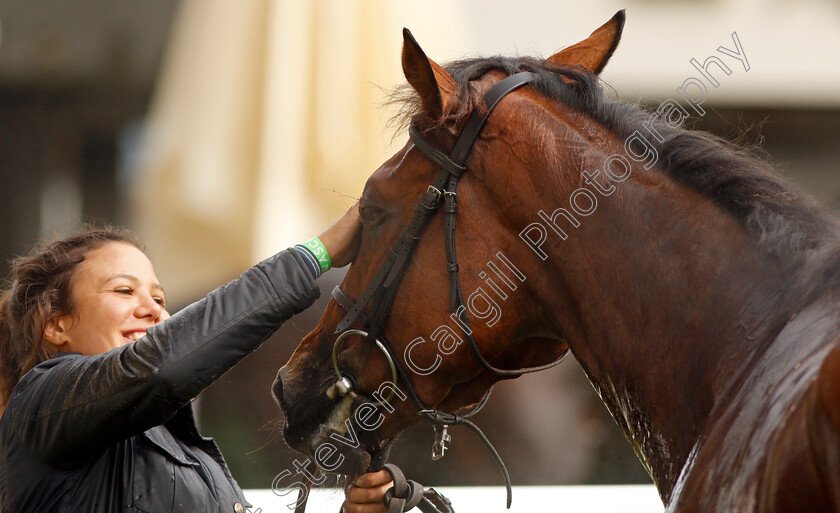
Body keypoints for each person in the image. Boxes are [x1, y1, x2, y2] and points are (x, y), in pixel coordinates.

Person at [0, 204, 392, 513]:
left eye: (159, 299)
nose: (153, 311)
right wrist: (316, 255)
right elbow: (158, 368)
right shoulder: (39, 401)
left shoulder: (183, 450)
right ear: (56, 324)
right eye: (123, 291)